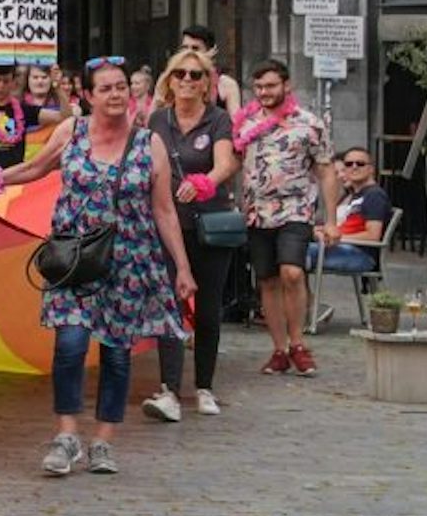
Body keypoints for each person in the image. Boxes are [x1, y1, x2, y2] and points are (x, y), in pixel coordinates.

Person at [0, 58, 192, 477]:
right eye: (105, 88)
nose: (116, 94)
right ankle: (66, 435)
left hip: (129, 260)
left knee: (117, 355)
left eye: (121, 86)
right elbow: (34, 168)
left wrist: (182, 267)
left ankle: (103, 441)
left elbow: (165, 211)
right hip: (74, 259)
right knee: (69, 344)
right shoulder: (71, 133)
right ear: (87, 96)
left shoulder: (148, 143)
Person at [140, 54, 240, 421]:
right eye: (179, 73)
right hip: (168, 225)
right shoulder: (157, 121)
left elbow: (226, 162)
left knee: (208, 308)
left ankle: (204, 387)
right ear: (169, 80)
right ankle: (169, 390)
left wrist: (205, 183)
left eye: (194, 75)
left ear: (205, 82)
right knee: (169, 305)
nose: (186, 80)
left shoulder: (218, 119)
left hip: (209, 224)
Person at [235, 62, 328, 377]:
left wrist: (331, 219)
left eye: (271, 86)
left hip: (296, 208)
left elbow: (326, 170)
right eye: (259, 87)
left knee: (291, 272)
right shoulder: (245, 124)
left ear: (287, 86)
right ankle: (278, 349)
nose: (264, 93)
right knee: (268, 280)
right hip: (256, 211)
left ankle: (298, 344)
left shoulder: (309, 123)